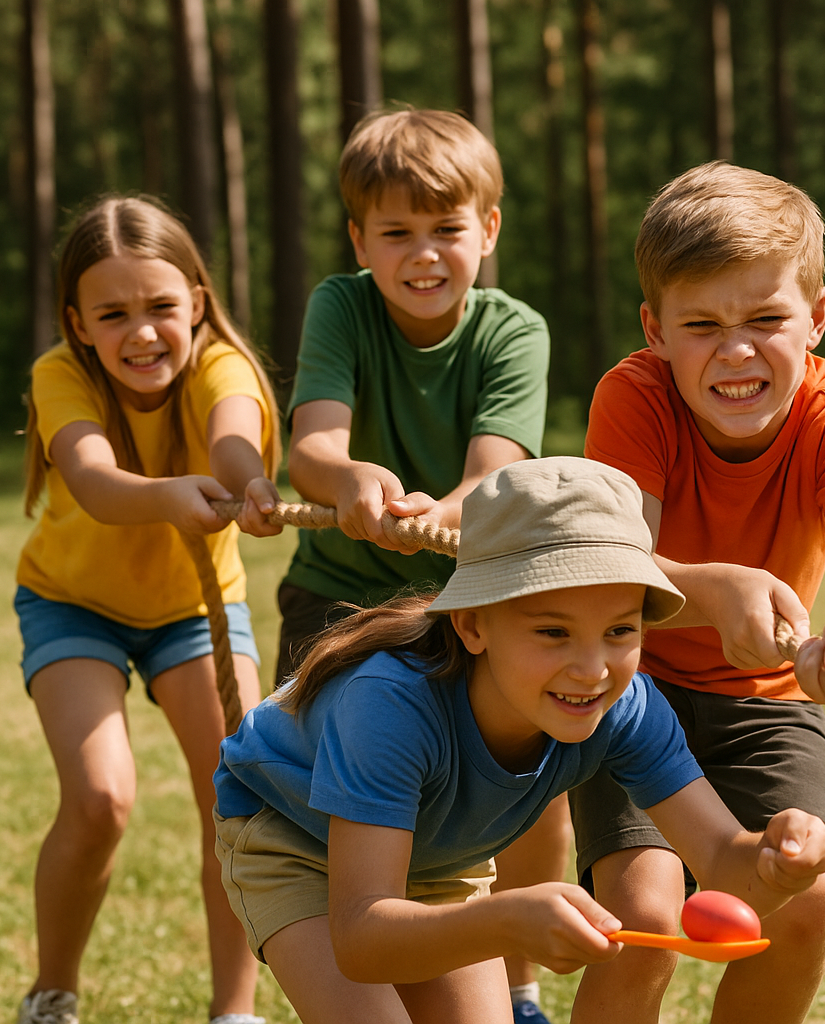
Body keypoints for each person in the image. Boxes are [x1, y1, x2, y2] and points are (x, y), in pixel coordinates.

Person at [212, 456, 825, 1024]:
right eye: (554, 632)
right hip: (294, 837)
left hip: (436, 858)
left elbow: (724, 862)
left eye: (620, 630)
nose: (592, 669)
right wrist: (507, 921)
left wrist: (775, 864)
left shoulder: (626, 707)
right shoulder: (389, 706)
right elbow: (362, 939)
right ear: (472, 625)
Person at [568, 162, 825, 1024]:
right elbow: (618, 565)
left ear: (817, 317)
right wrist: (709, 590)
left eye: (766, 319)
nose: (736, 351)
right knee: (645, 917)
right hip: (633, 689)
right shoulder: (634, 398)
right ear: (655, 330)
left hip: (768, 705)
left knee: (809, 896)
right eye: (702, 325)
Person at [276, 108, 564, 1022]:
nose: (424, 253)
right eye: (395, 232)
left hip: (462, 593)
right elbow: (312, 449)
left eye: (446, 227)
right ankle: (348, 955)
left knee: (523, 775)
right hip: (333, 596)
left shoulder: (515, 331)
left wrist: (438, 514)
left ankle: (516, 984)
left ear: (489, 228)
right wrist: (351, 478)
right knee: (339, 799)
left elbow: (494, 477)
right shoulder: (341, 306)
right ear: (359, 240)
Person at [14, 195, 283, 1024]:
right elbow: (95, 482)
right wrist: (170, 495)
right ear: (78, 323)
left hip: (193, 609)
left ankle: (233, 1012)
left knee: (237, 798)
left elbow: (233, 440)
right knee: (101, 798)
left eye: (161, 306)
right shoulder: (60, 374)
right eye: (112, 314)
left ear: (196, 301)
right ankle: (52, 995)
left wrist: (248, 482)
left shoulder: (223, 368)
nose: (141, 333)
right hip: (73, 604)